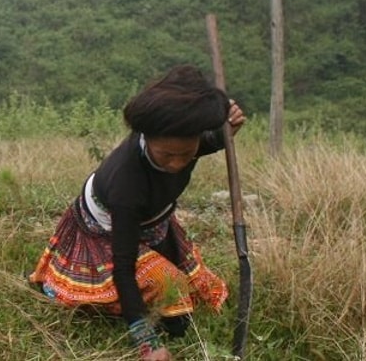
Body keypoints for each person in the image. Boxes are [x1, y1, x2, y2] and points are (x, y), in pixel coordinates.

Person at [28, 64, 245, 361]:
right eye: (167, 154)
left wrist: (229, 129)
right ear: (147, 138)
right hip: (106, 234)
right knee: (169, 288)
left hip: (154, 222)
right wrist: (147, 340)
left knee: (197, 296)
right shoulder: (126, 184)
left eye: (186, 153)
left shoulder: (185, 142)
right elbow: (123, 262)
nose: (177, 163)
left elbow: (208, 143)